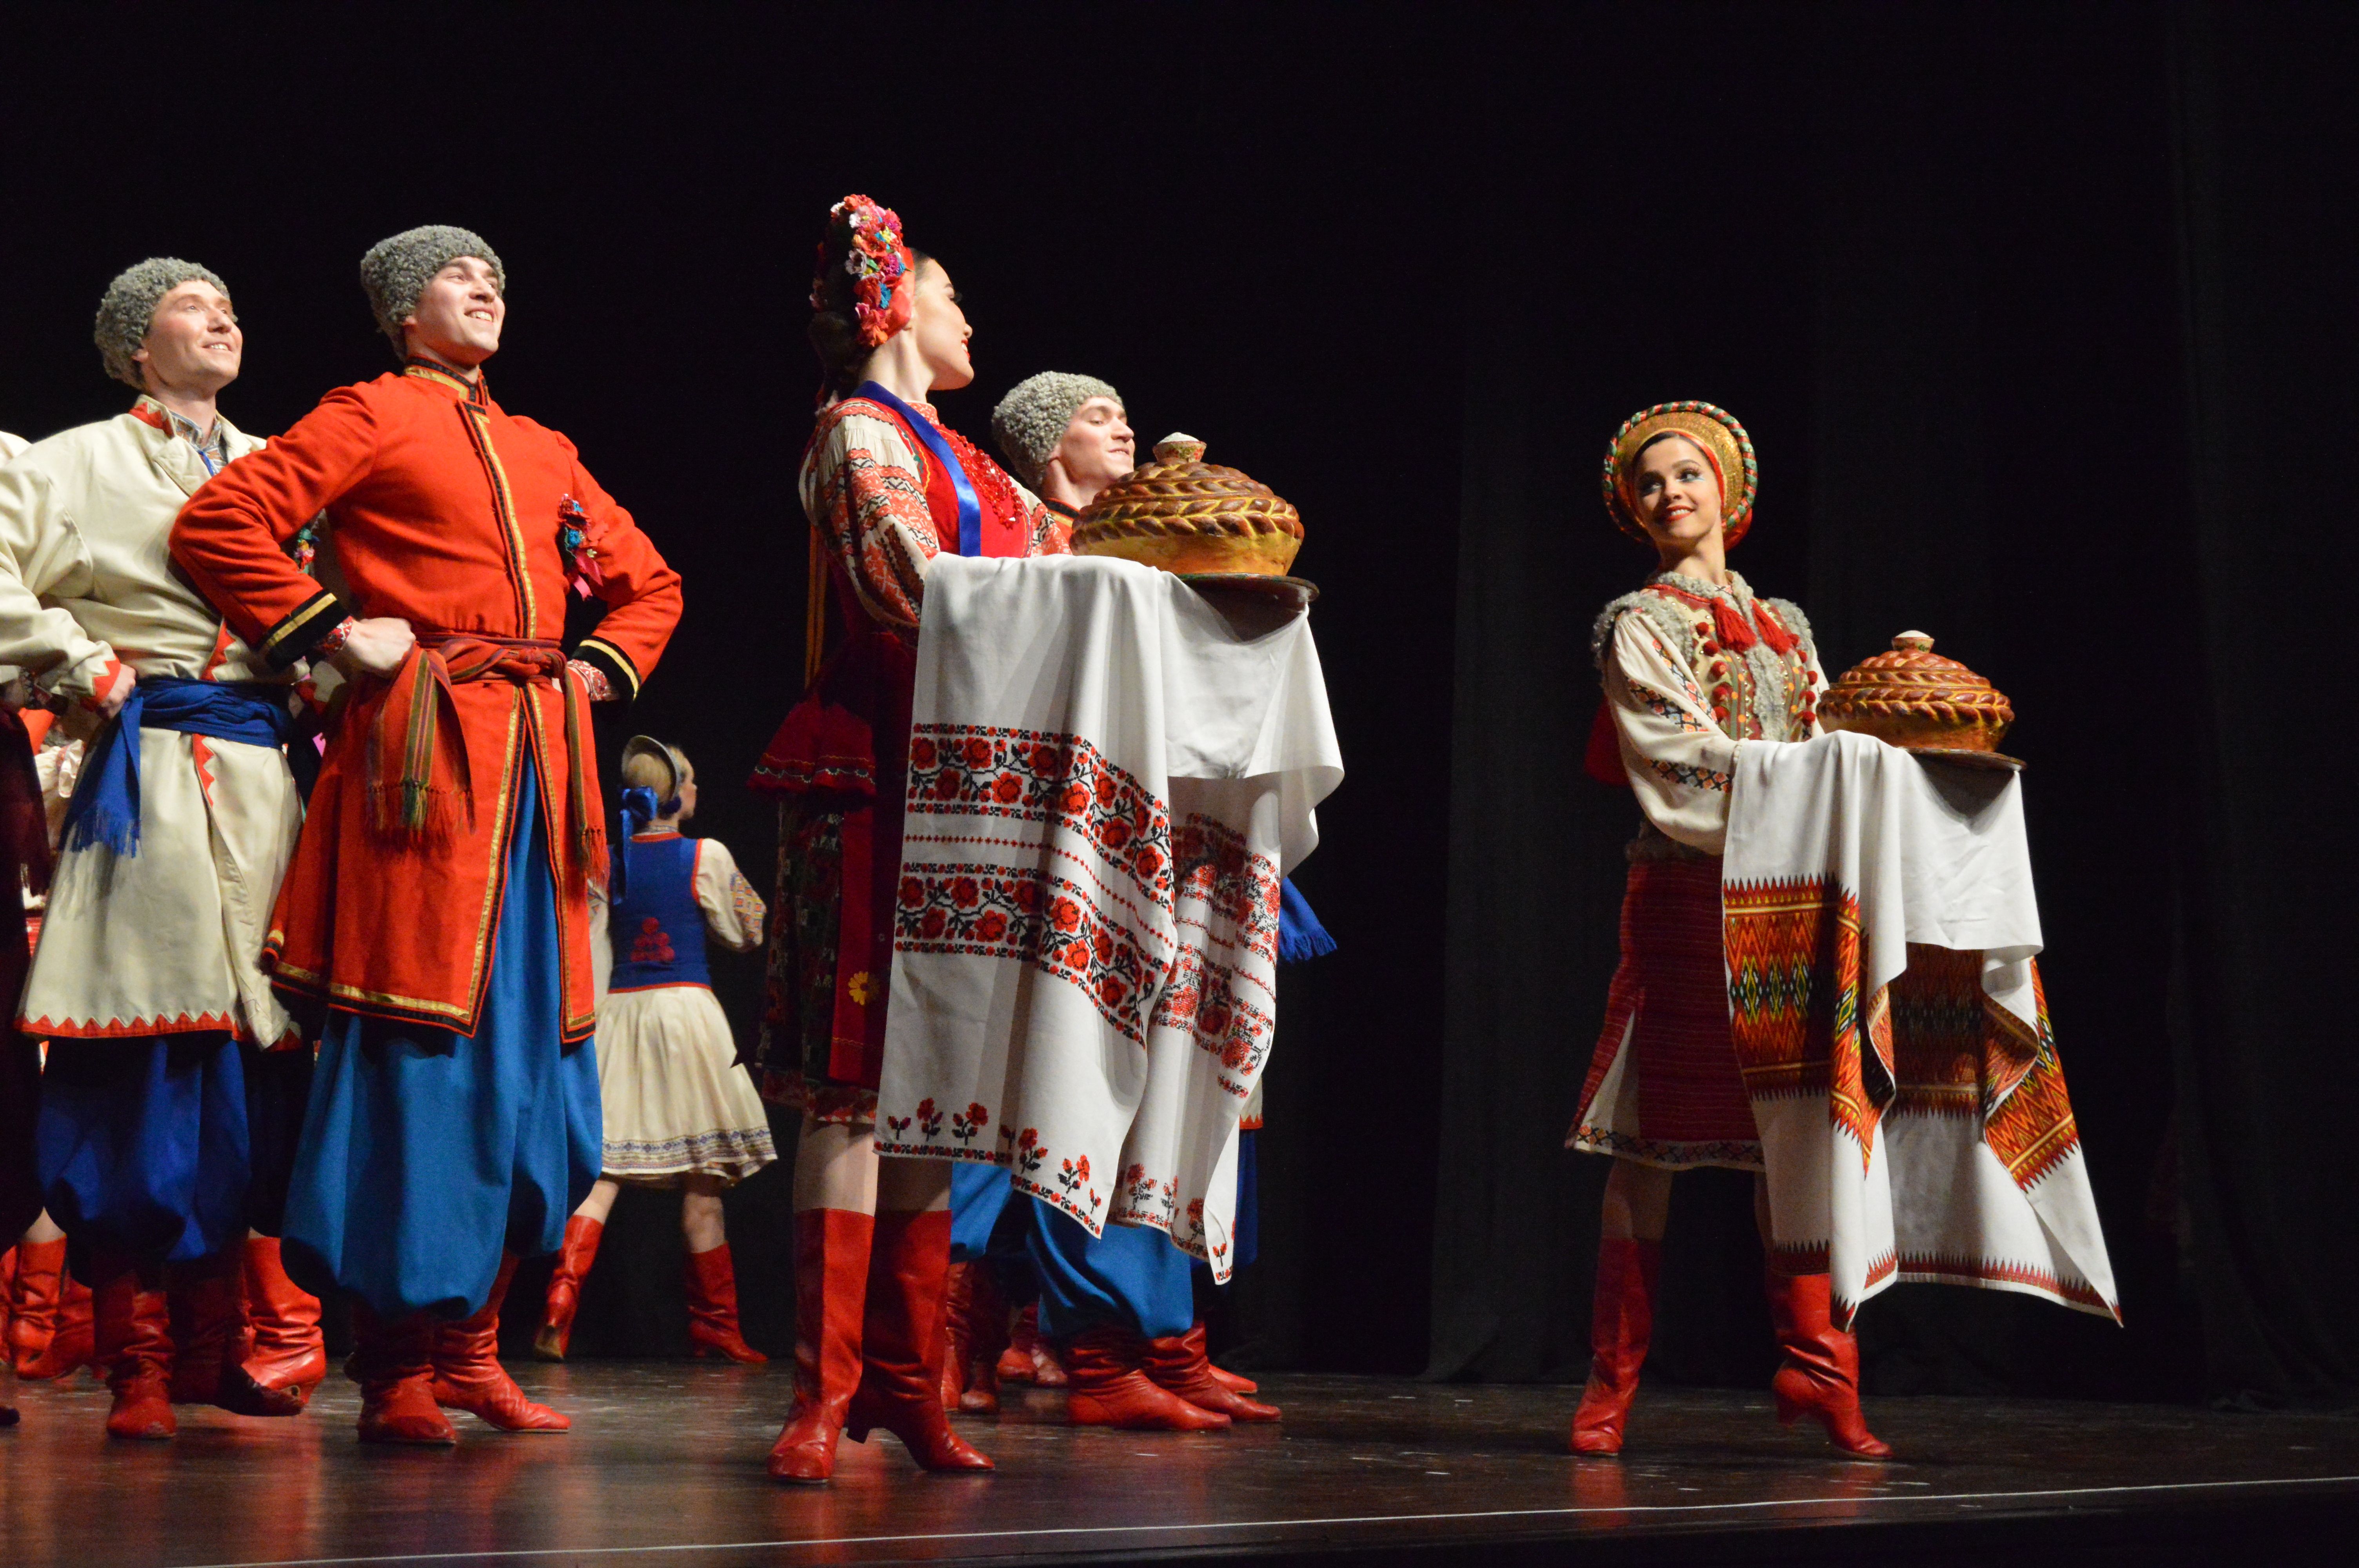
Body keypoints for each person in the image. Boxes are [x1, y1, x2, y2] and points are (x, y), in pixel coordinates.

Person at [170, 225, 682, 1446]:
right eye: (463, 276)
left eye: (500, 274)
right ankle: (395, 1367)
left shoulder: (544, 445)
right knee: (418, 1060)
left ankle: (473, 1352)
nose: (491, 287)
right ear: (408, 311)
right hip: (426, 767)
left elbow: (651, 583)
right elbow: (219, 526)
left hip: (543, 778)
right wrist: (332, 630)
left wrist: (601, 669)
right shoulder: (372, 413)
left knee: (536, 1064)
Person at [748, 194, 1067, 1484]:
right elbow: (907, 581)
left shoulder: (983, 469)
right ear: (895, 307)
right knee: (853, 1082)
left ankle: (906, 1384)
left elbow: (1057, 577)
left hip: (966, 799)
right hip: (871, 779)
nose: (971, 319)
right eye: (951, 295)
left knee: (933, 1090)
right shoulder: (859, 439)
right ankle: (822, 1390)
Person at [0, 260, 329, 1440]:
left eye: (233, 301)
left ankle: (208, 1350)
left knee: (251, 1070)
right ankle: (134, 1363)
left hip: (262, 779)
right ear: (138, 342)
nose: (226, 314)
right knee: (142, 1064)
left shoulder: (278, 464)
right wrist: (77, 661)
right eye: (196, 303)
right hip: (147, 779)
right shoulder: (68, 460)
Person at [927, 371, 1275, 1431]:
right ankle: (972, 1339)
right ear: (1043, 448)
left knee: (1154, 1086)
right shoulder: (1028, 544)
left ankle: (1160, 1342)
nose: (1119, 424)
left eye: (1125, 411)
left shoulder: (1148, 557)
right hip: (1049, 826)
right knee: (1028, 1095)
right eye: (1094, 415)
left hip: (1153, 818)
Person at [1566, 400, 1885, 1459]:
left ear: (1728, 492)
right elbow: (1672, 756)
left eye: (1687, 476)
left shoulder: (1788, 624)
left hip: (1785, 896)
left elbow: (1829, 730)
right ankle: (1610, 1386)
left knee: (1794, 1140)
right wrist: (1811, 776)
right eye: (1650, 484)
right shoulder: (1635, 623)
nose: (1670, 495)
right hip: (1686, 893)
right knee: (1650, 1137)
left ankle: (1821, 1374)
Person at [536, 736, 775, 1364]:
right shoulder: (707, 854)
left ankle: (560, 1301)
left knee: (604, 1175)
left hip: (621, 1016)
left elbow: (588, 948)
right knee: (703, 1182)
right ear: (678, 795)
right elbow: (747, 931)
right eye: (691, 783)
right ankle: (716, 1327)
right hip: (685, 1014)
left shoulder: (608, 860)